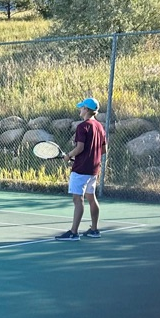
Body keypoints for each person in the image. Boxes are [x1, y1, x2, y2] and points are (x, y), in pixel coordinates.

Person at [56, 97, 108, 241]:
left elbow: (80, 148)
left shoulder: (82, 126)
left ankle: (73, 232)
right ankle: (94, 229)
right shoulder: (100, 127)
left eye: (81, 108)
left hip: (80, 170)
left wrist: (69, 156)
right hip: (93, 169)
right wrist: (88, 157)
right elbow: (104, 149)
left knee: (77, 199)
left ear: (86, 110)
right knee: (91, 197)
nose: (80, 110)